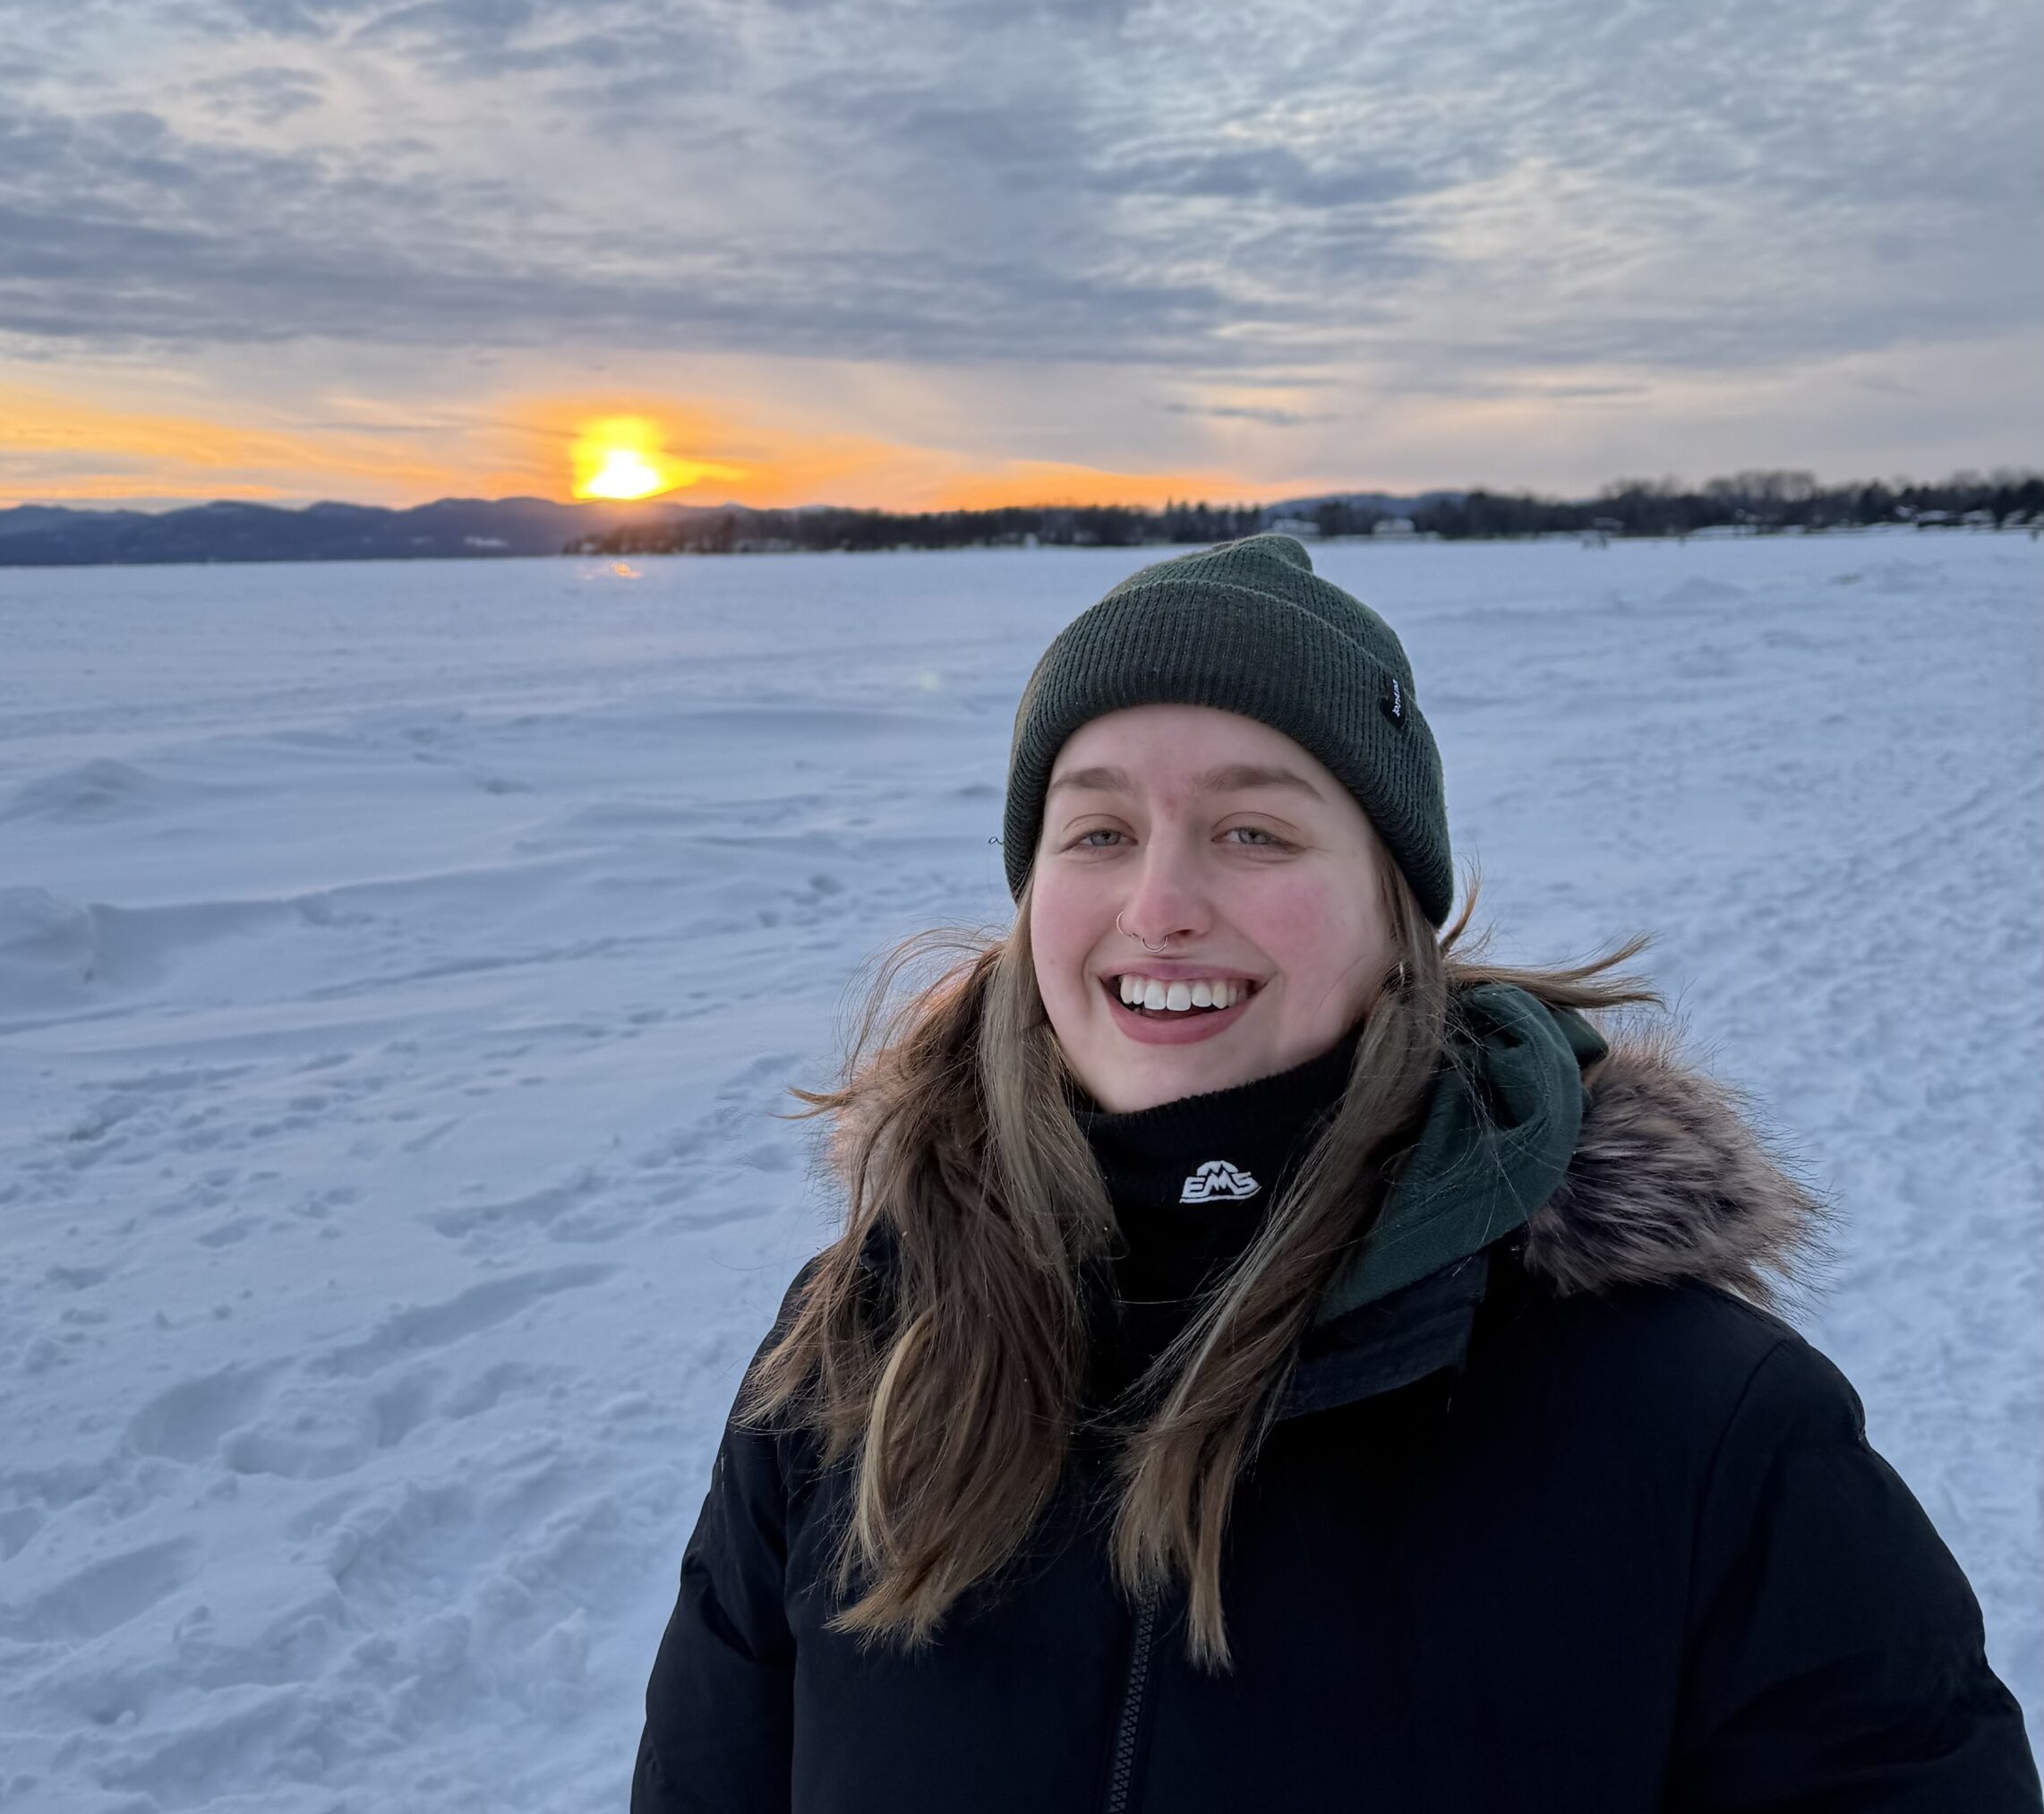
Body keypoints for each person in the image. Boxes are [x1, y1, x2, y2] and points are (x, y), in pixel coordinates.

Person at [632, 534, 2040, 1811]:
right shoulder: (856, 1355)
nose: (1162, 907)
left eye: (1254, 831)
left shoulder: (1703, 1427)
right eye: (1100, 830)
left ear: (1395, 920)